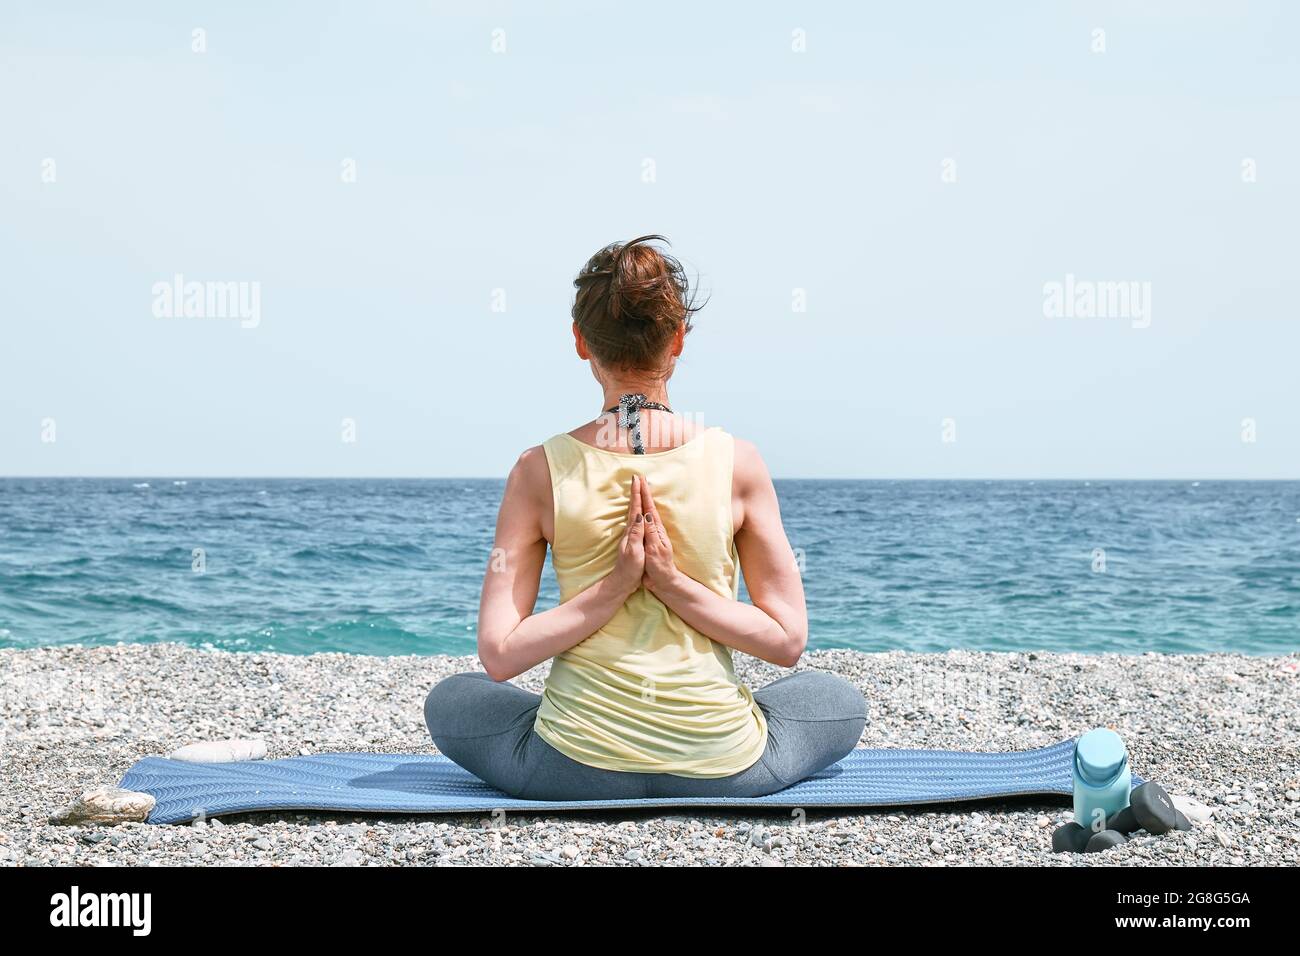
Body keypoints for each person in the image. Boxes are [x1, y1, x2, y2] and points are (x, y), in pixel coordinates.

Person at [424, 235, 866, 799]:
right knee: (837, 700)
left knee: (451, 699)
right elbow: (786, 643)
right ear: (678, 338)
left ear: (581, 342)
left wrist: (614, 590)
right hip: (724, 768)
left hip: (569, 770)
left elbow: (500, 656)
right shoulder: (739, 462)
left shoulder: (538, 470)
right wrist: (674, 586)